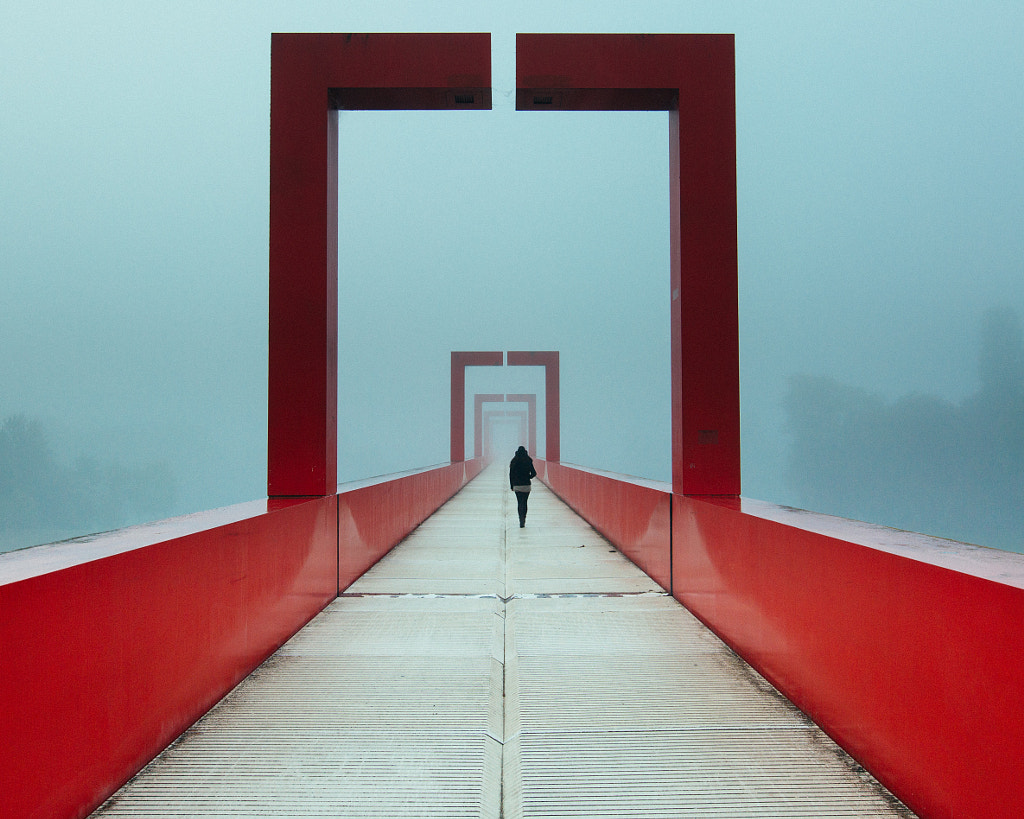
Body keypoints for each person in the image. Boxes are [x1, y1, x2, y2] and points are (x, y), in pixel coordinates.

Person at [509, 445, 537, 528]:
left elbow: (511, 475)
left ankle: (520, 520)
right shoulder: (528, 460)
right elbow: (534, 473)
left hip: (517, 485)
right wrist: (528, 477)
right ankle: (523, 519)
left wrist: (512, 485)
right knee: (524, 502)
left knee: (519, 502)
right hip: (526, 485)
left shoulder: (514, 461)